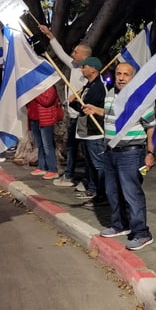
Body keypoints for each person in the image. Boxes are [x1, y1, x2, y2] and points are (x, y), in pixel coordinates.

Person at [83, 62, 156, 251]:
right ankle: (119, 225)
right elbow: (110, 114)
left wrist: (150, 153)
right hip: (110, 152)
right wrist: (95, 110)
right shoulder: (110, 94)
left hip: (131, 153)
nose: (121, 77)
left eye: (126, 74)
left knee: (132, 194)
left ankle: (142, 233)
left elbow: (150, 127)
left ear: (133, 78)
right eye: (118, 74)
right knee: (112, 192)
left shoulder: (140, 97)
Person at [39, 25, 92, 188]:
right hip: (73, 117)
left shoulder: (88, 70)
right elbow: (61, 53)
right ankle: (69, 176)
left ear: (83, 55)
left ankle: (88, 181)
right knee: (71, 148)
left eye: (75, 52)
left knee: (85, 151)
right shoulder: (75, 66)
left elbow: (90, 92)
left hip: (82, 117)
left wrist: (77, 96)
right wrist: (50, 35)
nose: (72, 54)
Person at [70, 57, 107, 207]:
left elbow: (86, 108)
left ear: (93, 69)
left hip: (95, 131)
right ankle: (93, 188)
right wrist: (74, 102)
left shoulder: (98, 87)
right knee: (89, 163)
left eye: (84, 66)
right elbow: (80, 108)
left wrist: (75, 102)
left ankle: (103, 194)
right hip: (85, 130)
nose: (81, 69)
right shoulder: (88, 85)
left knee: (98, 164)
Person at [27, 85, 60, 180]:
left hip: (45, 119)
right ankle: (42, 167)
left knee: (47, 145)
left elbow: (47, 101)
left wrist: (35, 93)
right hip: (34, 118)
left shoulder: (49, 86)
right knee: (39, 145)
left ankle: (53, 169)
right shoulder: (34, 87)